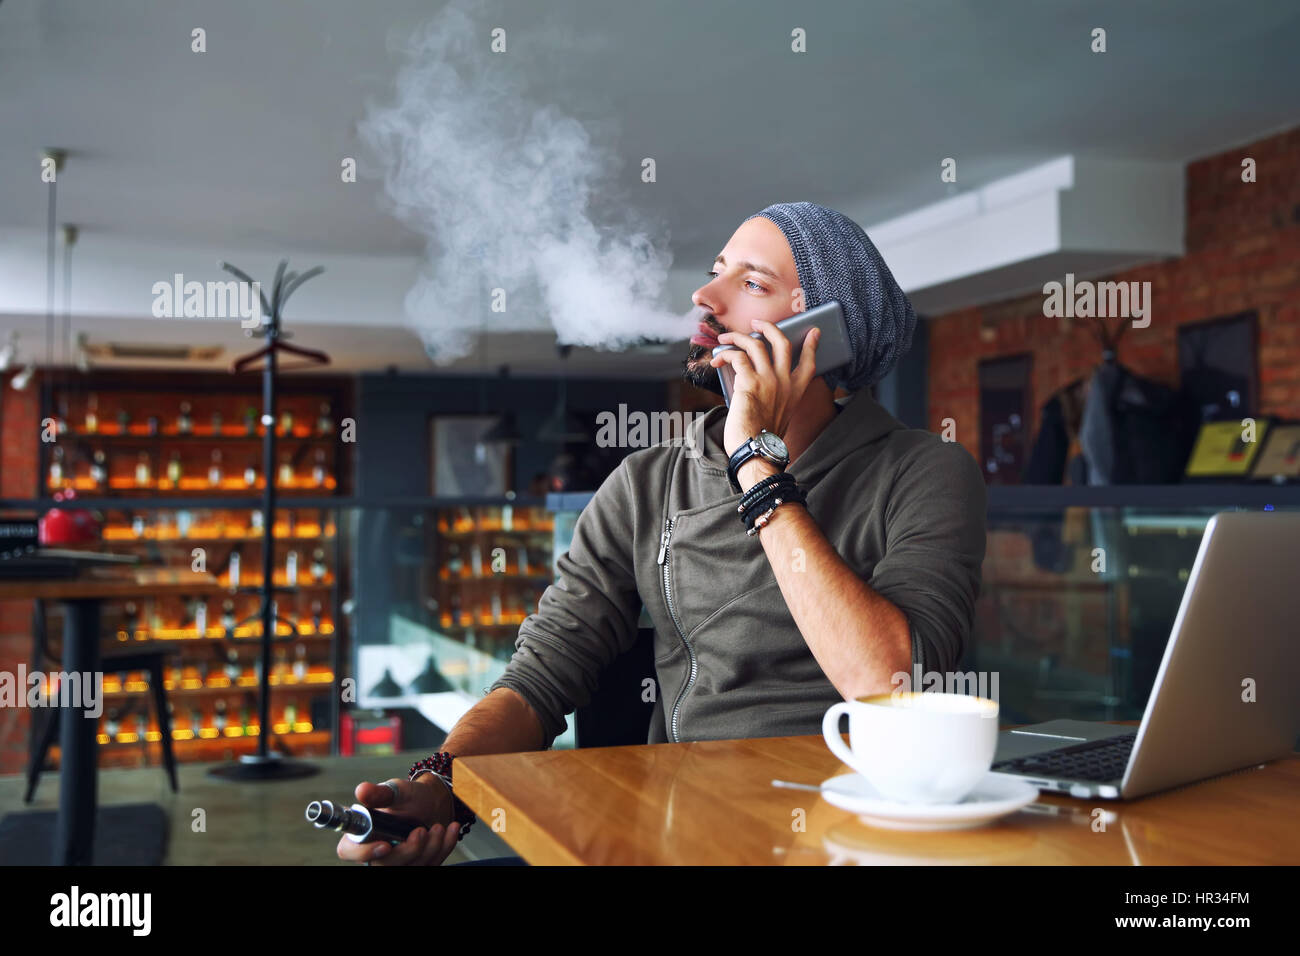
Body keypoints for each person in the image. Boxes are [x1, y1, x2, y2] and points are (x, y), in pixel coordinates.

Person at [339, 201, 987, 866]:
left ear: (825, 334)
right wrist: (438, 783)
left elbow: (894, 685)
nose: (704, 297)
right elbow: (544, 671)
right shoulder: (644, 483)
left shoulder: (924, 470)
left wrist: (754, 462)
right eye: (714, 274)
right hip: (684, 829)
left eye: (752, 284)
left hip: (862, 834)